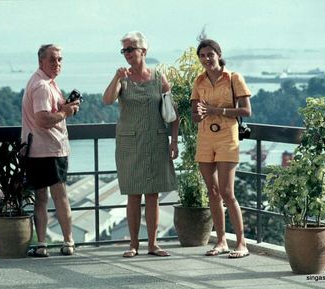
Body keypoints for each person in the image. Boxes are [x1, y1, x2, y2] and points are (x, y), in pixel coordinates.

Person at [103, 31, 179, 258]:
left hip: (156, 140)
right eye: (124, 50)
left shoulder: (159, 78)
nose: (126, 53)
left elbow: (172, 112)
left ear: (143, 51)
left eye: (130, 49)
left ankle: (153, 244)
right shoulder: (123, 78)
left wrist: (174, 141)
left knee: (153, 194)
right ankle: (133, 245)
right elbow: (107, 100)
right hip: (129, 143)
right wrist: (116, 78)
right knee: (133, 194)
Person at [191, 38, 251, 258]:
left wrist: (217, 110)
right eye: (202, 56)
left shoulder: (234, 78)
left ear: (218, 54)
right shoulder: (198, 81)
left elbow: (246, 111)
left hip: (227, 137)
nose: (206, 59)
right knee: (213, 192)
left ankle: (242, 243)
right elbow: (195, 116)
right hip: (205, 137)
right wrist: (199, 113)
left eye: (210, 54)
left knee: (227, 192)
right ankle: (221, 241)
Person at [21, 44, 80, 257]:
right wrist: (66, 113)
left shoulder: (41, 82)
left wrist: (64, 108)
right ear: (41, 62)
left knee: (41, 198)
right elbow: (43, 119)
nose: (57, 64)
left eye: (60, 59)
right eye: (53, 59)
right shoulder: (43, 86)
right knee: (60, 197)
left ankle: (42, 244)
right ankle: (68, 241)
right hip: (50, 150)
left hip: (37, 149)